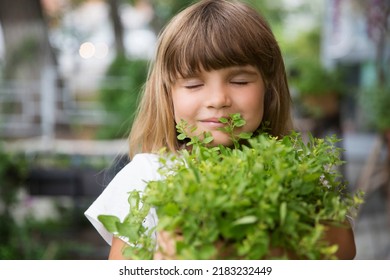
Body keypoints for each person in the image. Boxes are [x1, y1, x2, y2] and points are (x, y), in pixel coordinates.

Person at [85, 0, 356, 260]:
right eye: (193, 85)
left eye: (239, 81)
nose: (218, 99)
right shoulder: (146, 177)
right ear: (168, 94)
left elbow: (344, 249)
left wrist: (238, 256)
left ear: (268, 88)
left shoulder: (293, 169)